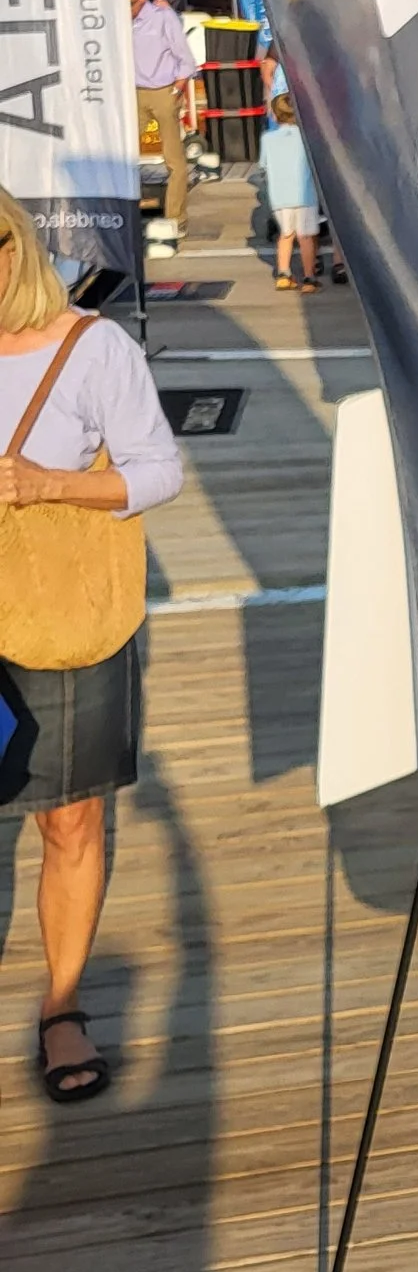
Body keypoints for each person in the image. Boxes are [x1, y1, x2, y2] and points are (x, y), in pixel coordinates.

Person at [0, 183, 184, 1102]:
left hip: (53, 611)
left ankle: (61, 1005)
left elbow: (160, 469)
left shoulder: (91, 346)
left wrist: (46, 486)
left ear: (15, 245)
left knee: (67, 820)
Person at [129, 0, 194, 242]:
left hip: (163, 90)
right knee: (123, 157)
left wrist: (177, 86)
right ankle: (125, 216)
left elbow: (183, 54)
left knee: (173, 160)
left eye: (131, 4)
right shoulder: (118, 19)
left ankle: (176, 219)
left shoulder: (163, 17)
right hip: (134, 92)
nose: (128, 11)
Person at [260, 92, 325, 289]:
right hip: (305, 195)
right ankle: (309, 277)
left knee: (285, 235)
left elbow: (264, 165)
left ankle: (283, 273)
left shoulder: (268, 139)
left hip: (280, 196)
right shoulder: (308, 138)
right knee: (305, 237)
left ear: (275, 115)